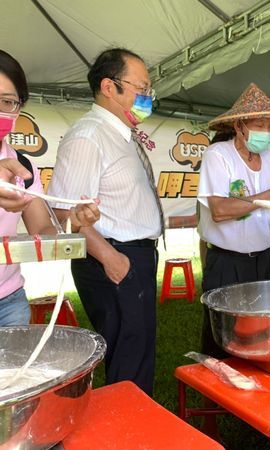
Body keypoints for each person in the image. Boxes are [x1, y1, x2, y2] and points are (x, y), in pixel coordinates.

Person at [48, 48, 161, 396]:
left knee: (138, 352)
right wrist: (112, 260)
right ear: (109, 87)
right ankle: (124, 434)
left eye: (150, 90)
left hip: (132, 257)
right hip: (112, 258)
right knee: (128, 358)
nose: (147, 97)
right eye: (141, 88)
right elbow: (65, 212)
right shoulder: (89, 136)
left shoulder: (120, 134)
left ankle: (135, 427)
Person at [198, 82, 270, 356]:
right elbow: (219, 210)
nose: (266, 133)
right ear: (240, 126)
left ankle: (261, 388)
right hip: (227, 262)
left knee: (266, 330)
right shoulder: (218, 156)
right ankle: (217, 390)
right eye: (260, 125)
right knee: (222, 334)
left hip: (264, 260)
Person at [0, 50, 99, 326]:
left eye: (7, 102)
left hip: (8, 302)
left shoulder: (23, 168)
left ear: (19, 108)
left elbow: (43, 229)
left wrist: (70, 225)